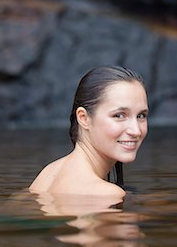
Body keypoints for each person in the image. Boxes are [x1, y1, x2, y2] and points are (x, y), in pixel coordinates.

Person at [29, 66, 149, 198]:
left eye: (141, 116)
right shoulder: (106, 194)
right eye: (119, 115)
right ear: (83, 118)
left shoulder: (49, 172)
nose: (136, 130)